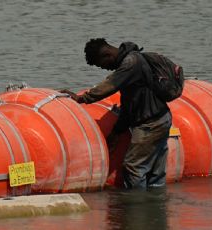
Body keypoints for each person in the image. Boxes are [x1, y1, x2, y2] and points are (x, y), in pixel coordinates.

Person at [61, 38, 172, 189]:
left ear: (107, 55)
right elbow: (129, 105)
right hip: (160, 119)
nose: (104, 69)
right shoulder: (134, 60)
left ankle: (136, 208)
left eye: (101, 65)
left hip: (150, 125)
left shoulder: (130, 64)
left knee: (133, 168)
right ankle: (154, 207)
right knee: (155, 174)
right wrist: (117, 131)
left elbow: (110, 85)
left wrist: (82, 98)